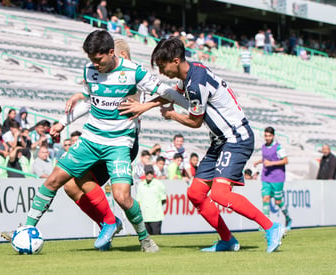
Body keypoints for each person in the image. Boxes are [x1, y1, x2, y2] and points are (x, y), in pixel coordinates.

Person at [2, 30, 187, 252]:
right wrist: (62, 123)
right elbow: (90, 101)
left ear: (111, 52)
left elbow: (167, 91)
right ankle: (25, 228)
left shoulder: (133, 71)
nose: (94, 64)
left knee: (122, 196)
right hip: (90, 138)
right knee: (55, 180)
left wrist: (192, 107)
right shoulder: (90, 70)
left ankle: (144, 239)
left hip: (119, 142)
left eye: (98, 60)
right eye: (91, 60)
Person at [119, 37, 284, 253]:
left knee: (219, 194)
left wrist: (172, 115)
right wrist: (144, 106)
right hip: (221, 141)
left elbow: (195, 122)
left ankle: (271, 227)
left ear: (175, 61)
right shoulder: (192, 71)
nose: (161, 71)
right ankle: (227, 240)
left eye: (162, 66)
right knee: (196, 194)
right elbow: (173, 94)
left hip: (236, 139)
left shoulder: (195, 85)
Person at [254, 127, 292, 231]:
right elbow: (266, 158)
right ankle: (266, 224)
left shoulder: (278, 147)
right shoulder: (263, 147)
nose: (267, 138)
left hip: (277, 177)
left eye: (269, 136)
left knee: (278, 201)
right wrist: (259, 161)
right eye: (266, 136)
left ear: (273, 136)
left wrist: (271, 163)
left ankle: (288, 218)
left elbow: (285, 160)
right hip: (266, 176)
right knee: (265, 198)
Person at [136, 165, 166, 235]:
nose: (149, 175)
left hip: (156, 216)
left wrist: (156, 206)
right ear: (145, 173)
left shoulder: (159, 184)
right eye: (147, 173)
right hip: (145, 216)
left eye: (151, 173)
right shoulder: (141, 185)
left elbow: (163, 199)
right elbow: (138, 201)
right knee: (147, 238)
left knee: (156, 236)